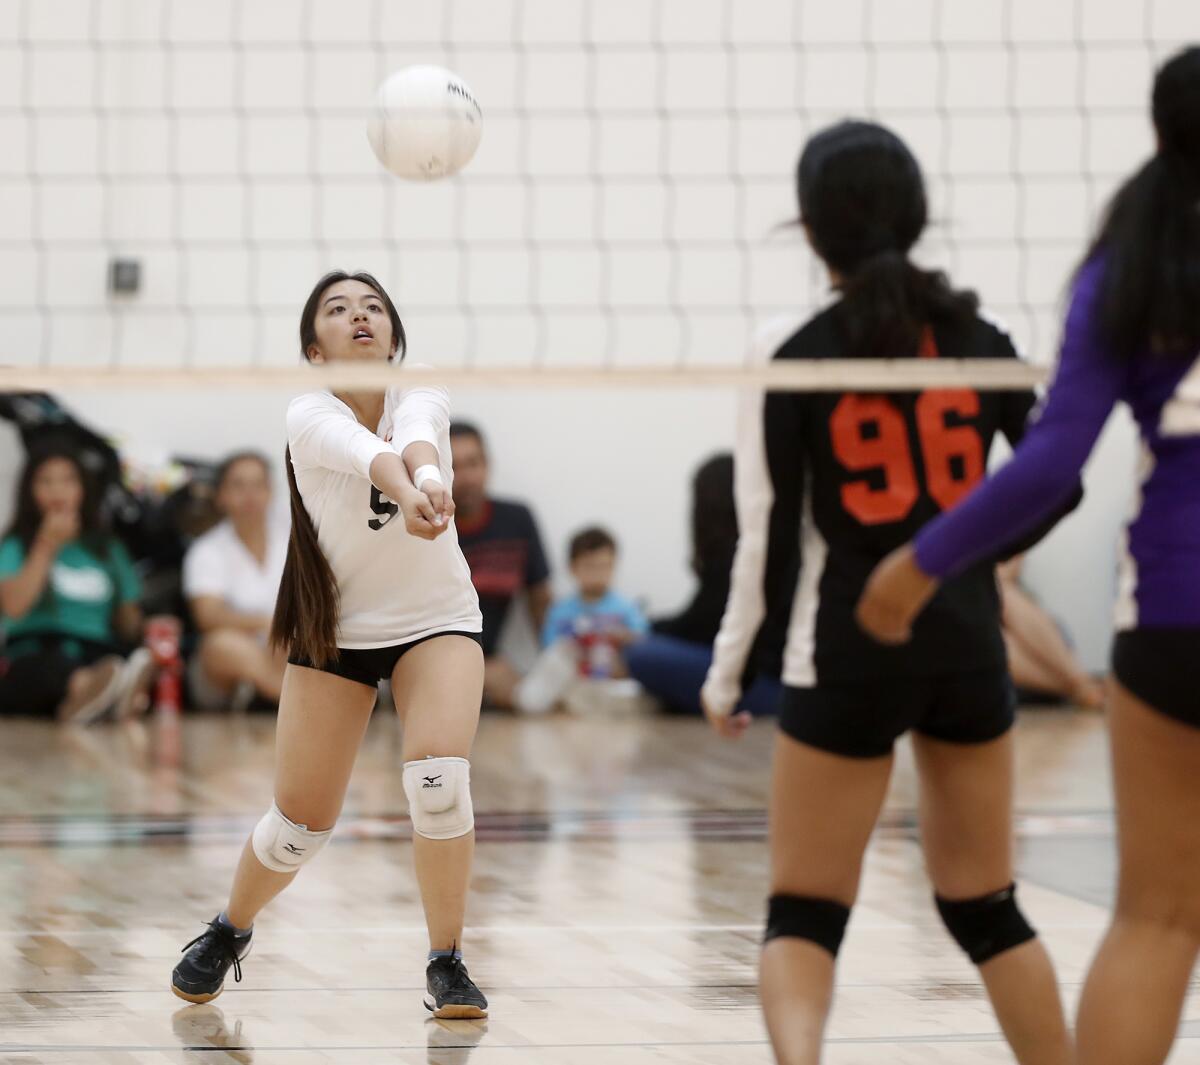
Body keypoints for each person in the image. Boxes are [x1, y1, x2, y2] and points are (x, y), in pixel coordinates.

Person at [700, 121, 1073, 1065]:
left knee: (805, 910)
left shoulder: (797, 349)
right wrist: (972, 557)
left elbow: (771, 533)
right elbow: (1056, 478)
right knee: (987, 907)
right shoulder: (979, 337)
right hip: (964, 639)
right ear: (914, 218)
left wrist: (728, 671)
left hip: (850, 645)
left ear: (810, 228)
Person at [857, 48, 1200, 1065]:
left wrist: (920, 562)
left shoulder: (1133, 265)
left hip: (1177, 612)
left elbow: (1052, 464)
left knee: (1159, 919)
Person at [171, 270, 489, 1019]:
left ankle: (447, 960)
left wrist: (431, 480)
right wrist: (408, 493)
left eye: (374, 306)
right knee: (295, 829)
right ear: (316, 348)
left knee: (438, 782)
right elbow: (361, 451)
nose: (360, 316)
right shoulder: (307, 412)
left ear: (392, 334)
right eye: (340, 309)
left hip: (436, 620)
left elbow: (416, 439)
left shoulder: (423, 392)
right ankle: (230, 927)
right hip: (338, 632)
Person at [0, 444, 151, 723]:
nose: (58, 491)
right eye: (46, 481)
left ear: (83, 489)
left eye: (68, 480)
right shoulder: (15, 546)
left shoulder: (107, 548)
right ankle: (93, 690)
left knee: (120, 661)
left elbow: (129, 623)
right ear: (29, 491)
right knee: (48, 669)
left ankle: (101, 695)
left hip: (97, 649)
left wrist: (148, 629)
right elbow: (13, 608)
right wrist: (46, 545)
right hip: (36, 652)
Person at [625, 453, 783, 716]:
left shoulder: (734, 554)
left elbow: (698, 626)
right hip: (782, 680)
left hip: (766, 686)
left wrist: (643, 630)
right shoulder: (767, 542)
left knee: (642, 654)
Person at [449, 421, 552, 709]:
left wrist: (553, 665)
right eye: (454, 466)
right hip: (433, 666)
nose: (466, 477)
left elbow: (540, 601)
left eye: (473, 463)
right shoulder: (421, 526)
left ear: (487, 465)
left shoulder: (517, 520)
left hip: (492, 668)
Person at [183, 451, 288, 711]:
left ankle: (277, 697)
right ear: (221, 496)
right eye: (238, 486)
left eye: (257, 485)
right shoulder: (207, 550)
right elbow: (208, 615)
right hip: (242, 652)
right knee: (222, 645)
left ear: (270, 491)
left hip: (289, 645)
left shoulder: (295, 538)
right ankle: (293, 701)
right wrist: (266, 623)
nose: (249, 495)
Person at [998, 556, 1105, 709]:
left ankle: (1079, 685)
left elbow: (1009, 569)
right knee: (979, 635)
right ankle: (1080, 687)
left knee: (1001, 592)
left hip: (1033, 642)